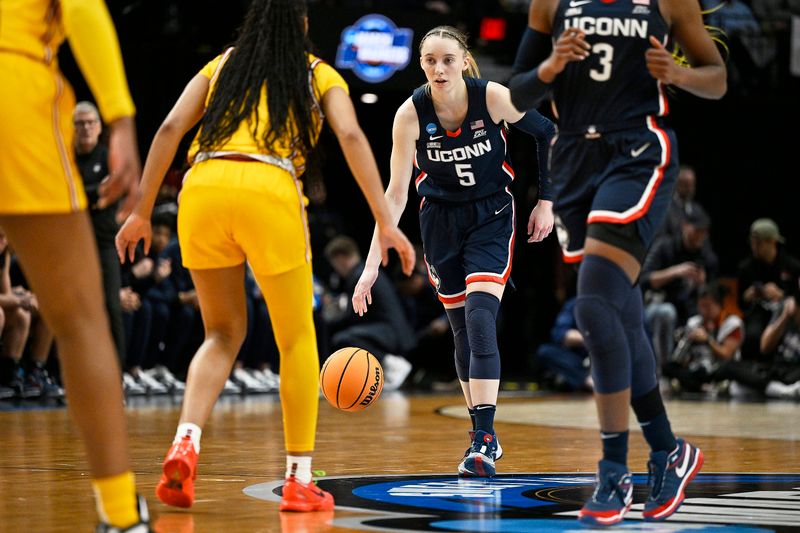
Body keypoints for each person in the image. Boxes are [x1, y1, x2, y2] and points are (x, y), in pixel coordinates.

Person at [115, 0, 415, 513]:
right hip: (268, 183)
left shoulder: (224, 62)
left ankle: (185, 441)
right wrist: (386, 222)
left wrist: (141, 211)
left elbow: (168, 128)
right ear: (302, 26)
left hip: (202, 186)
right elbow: (348, 134)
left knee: (220, 333)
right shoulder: (318, 72)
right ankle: (299, 478)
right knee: (297, 337)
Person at [508, 0, 726, 523]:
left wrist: (677, 73)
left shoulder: (668, 1)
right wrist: (550, 68)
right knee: (619, 313)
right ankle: (668, 449)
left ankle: (612, 471)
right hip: (574, 158)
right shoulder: (551, 3)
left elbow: (717, 78)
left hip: (636, 151)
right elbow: (516, 94)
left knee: (596, 302)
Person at [352, 25, 556, 478]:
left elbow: (547, 133)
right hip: (440, 223)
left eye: (448, 59)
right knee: (462, 330)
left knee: (482, 316)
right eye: (430, 61)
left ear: (464, 60)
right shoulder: (409, 114)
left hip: (490, 216)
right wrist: (369, 268)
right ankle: (481, 434)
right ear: (421, 64)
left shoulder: (493, 97)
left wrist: (547, 201)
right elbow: (394, 195)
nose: (439, 69)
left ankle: (484, 437)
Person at [0, 0, 148, 530]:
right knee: (82, 321)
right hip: (13, 87)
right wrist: (120, 118)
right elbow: (82, 8)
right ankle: (120, 512)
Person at [74, 101, 128, 372]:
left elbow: (112, 192)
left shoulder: (109, 157)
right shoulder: (67, 159)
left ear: (98, 128)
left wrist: (86, 196)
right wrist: (93, 195)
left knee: (111, 307)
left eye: (89, 123)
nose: (84, 128)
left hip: (105, 243)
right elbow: (70, 196)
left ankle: (116, 377)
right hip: (72, 244)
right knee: (74, 310)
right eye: (79, 123)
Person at [324, 235, 416, 391]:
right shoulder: (363, 272)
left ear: (341, 258)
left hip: (391, 333)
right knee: (349, 335)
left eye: (335, 264)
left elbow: (353, 316)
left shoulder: (358, 276)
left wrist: (331, 316)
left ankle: (392, 364)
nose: (336, 269)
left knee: (344, 338)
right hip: (392, 330)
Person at [640, 207, 719, 368]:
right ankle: (663, 370)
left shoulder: (706, 256)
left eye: (703, 232)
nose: (700, 236)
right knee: (667, 312)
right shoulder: (665, 246)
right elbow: (643, 279)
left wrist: (703, 285)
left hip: (689, 312)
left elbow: (713, 295)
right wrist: (675, 272)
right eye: (697, 230)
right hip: (655, 307)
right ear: (685, 226)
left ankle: (697, 371)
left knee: (700, 321)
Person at [736, 218, 800, 360]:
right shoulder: (746, 268)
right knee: (752, 336)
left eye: (759, 243)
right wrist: (748, 296)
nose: (754, 247)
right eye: (752, 242)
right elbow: (741, 304)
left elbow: (797, 297)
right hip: (758, 312)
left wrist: (781, 294)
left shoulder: (792, 266)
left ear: (772, 241)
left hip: (785, 312)